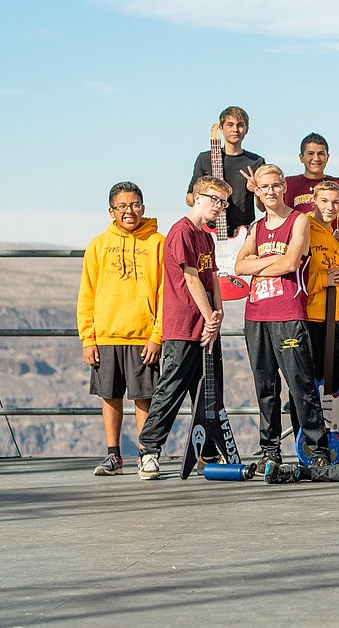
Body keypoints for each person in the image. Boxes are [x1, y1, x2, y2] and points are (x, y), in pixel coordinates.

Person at [234, 164, 330, 469]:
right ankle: (270, 450)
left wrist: (261, 261)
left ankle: (318, 450)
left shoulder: (298, 220)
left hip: (288, 313)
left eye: (276, 185)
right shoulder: (256, 227)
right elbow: (238, 267)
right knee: (265, 386)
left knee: (300, 384)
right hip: (256, 315)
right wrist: (271, 260)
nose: (271, 191)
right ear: (258, 192)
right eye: (264, 187)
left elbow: (290, 263)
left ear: (284, 187)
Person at [136, 176, 230, 479]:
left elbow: (211, 277)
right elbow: (190, 278)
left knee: (209, 393)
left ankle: (208, 451)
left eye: (224, 201)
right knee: (172, 389)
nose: (219, 206)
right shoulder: (181, 232)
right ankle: (148, 450)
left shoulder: (206, 237)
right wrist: (208, 318)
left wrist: (218, 314)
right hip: (183, 327)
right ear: (197, 197)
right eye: (214, 199)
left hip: (206, 326)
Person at [78, 182, 165, 476]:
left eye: (135, 205)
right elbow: (86, 295)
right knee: (110, 395)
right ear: (111, 211)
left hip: (143, 334)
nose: (130, 211)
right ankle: (113, 455)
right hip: (105, 334)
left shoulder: (158, 243)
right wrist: (88, 339)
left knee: (144, 395)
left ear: (143, 206)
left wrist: (157, 335)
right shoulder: (98, 245)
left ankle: (146, 454)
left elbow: (166, 293)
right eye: (123, 206)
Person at [296, 182, 339, 434]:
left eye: (335, 203)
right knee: (307, 387)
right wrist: (322, 280)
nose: (330, 207)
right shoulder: (303, 228)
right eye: (325, 201)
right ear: (314, 201)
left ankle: (332, 437)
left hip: (332, 321)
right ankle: (307, 443)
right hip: (309, 319)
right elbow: (294, 275)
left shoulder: (335, 238)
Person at [186, 106, 264, 234]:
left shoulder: (256, 162)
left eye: (240, 125)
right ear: (221, 129)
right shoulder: (205, 159)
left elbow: (262, 208)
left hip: (243, 231)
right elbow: (189, 198)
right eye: (230, 125)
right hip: (211, 231)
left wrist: (256, 191)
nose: (235, 129)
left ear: (247, 129)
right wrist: (207, 200)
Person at [283, 132, 339, 239]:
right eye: (310, 153)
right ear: (301, 157)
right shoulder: (287, 184)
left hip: (328, 249)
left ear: (328, 157)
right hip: (297, 246)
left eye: (321, 153)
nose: (316, 158)